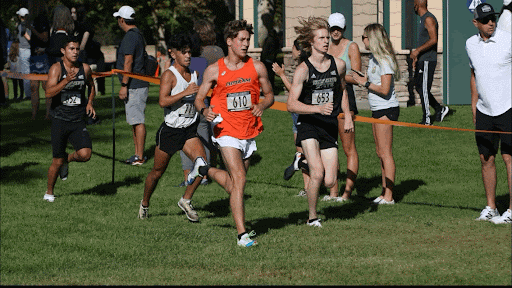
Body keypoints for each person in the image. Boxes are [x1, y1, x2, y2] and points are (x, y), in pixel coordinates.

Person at [191, 19, 275, 246]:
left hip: (249, 131)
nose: (246, 44)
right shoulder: (214, 70)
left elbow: (270, 95)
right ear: (230, 42)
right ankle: (242, 235)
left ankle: (205, 169)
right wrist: (204, 110)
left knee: (233, 184)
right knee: (239, 180)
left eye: (248, 40)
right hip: (225, 131)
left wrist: (262, 105)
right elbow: (199, 98)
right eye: (242, 40)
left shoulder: (257, 67)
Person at [287, 16, 354, 227]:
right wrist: (316, 108)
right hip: (308, 125)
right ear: (312, 42)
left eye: (327, 37)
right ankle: (312, 217)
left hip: (329, 125)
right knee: (317, 173)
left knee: (330, 180)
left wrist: (348, 114)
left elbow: (342, 90)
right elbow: (291, 104)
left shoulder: (339, 65)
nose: (326, 41)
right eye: (321, 38)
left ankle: (302, 162)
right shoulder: (303, 70)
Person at [138, 33, 210, 222]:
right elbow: (162, 101)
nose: (188, 56)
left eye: (189, 52)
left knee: (202, 165)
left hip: (189, 130)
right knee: (157, 173)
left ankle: (186, 200)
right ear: (173, 53)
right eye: (183, 52)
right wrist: (185, 92)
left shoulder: (194, 72)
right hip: (171, 131)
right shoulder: (169, 75)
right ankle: (145, 203)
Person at [466, 3, 511, 224]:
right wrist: (474, 105)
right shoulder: (470, 44)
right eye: (485, 20)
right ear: (476, 23)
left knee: (509, 158)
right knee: (486, 159)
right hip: (484, 111)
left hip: (508, 108)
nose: (491, 22)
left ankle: (511, 211)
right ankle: (491, 207)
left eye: (492, 18)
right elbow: (474, 74)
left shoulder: (507, 39)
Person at [43, 35, 96, 202]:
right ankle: (49, 192)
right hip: (59, 119)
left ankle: (67, 160)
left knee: (85, 154)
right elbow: (48, 93)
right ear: (63, 51)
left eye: (77, 49)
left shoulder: (85, 68)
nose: (75, 52)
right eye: (71, 49)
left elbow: (91, 86)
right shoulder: (56, 69)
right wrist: (65, 81)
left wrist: (89, 103)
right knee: (56, 161)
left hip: (77, 119)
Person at [352, 23, 400, 205]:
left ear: (372, 38)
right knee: (379, 152)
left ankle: (390, 196)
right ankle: (384, 192)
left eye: (364, 37)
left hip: (386, 108)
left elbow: (385, 89)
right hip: (376, 109)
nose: (362, 40)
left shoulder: (385, 59)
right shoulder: (373, 58)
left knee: (386, 152)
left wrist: (365, 84)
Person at [177, 20, 226, 187]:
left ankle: (198, 174)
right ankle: (210, 171)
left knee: (196, 136)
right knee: (213, 137)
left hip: (198, 100)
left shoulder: (195, 57)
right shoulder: (219, 51)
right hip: (217, 98)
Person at [324, 12, 360, 202]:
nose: (335, 31)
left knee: (348, 147)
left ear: (344, 28)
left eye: (338, 28)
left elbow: (356, 77)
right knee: (330, 147)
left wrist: (335, 75)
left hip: (346, 98)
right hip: (327, 99)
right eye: (332, 28)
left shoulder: (351, 46)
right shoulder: (325, 45)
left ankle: (347, 192)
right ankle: (333, 192)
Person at [273, 38, 311, 197]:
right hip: (299, 112)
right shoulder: (308, 66)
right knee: (301, 151)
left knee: (305, 152)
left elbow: (294, 91)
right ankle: (308, 188)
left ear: (299, 51)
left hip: (300, 111)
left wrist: (281, 75)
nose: (291, 51)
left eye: (293, 48)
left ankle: (301, 169)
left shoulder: (303, 69)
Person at [114, 6, 149, 165]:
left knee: (137, 121)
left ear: (122, 20)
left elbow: (128, 62)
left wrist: (123, 85)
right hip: (138, 84)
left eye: (118, 19)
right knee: (135, 121)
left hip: (134, 85)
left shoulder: (130, 36)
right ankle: (137, 154)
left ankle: (140, 157)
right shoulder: (138, 34)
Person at [411, 0, 449, 125]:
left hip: (428, 59)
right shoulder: (422, 19)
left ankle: (427, 119)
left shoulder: (428, 19)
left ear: (417, 5)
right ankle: (439, 108)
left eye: (414, 4)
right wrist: (417, 57)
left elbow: (433, 40)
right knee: (419, 87)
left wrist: (417, 51)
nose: (413, 7)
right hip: (422, 59)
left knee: (424, 89)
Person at [27, 0, 51, 120]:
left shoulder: (41, 19)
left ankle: (48, 114)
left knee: (46, 86)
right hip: (33, 56)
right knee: (33, 87)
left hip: (42, 57)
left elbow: (45, 38)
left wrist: (32, 29)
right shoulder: (33, 19)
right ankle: (34, 115)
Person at [260, 13, 280, 93]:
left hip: (269, 58)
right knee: (266, 75)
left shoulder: (272, 34)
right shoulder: (268, 32)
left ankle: (269, 90)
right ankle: (267, 90)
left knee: (269, 75)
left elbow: (274, 45)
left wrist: (270, 56)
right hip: (267, 57)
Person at [16, 8, 31, 102]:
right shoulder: (30, 24)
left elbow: (28, 37)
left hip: (24, 50)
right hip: (29, 49)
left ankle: (28, 94)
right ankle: (30, 93)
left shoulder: (22, 25)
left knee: (25, 73)